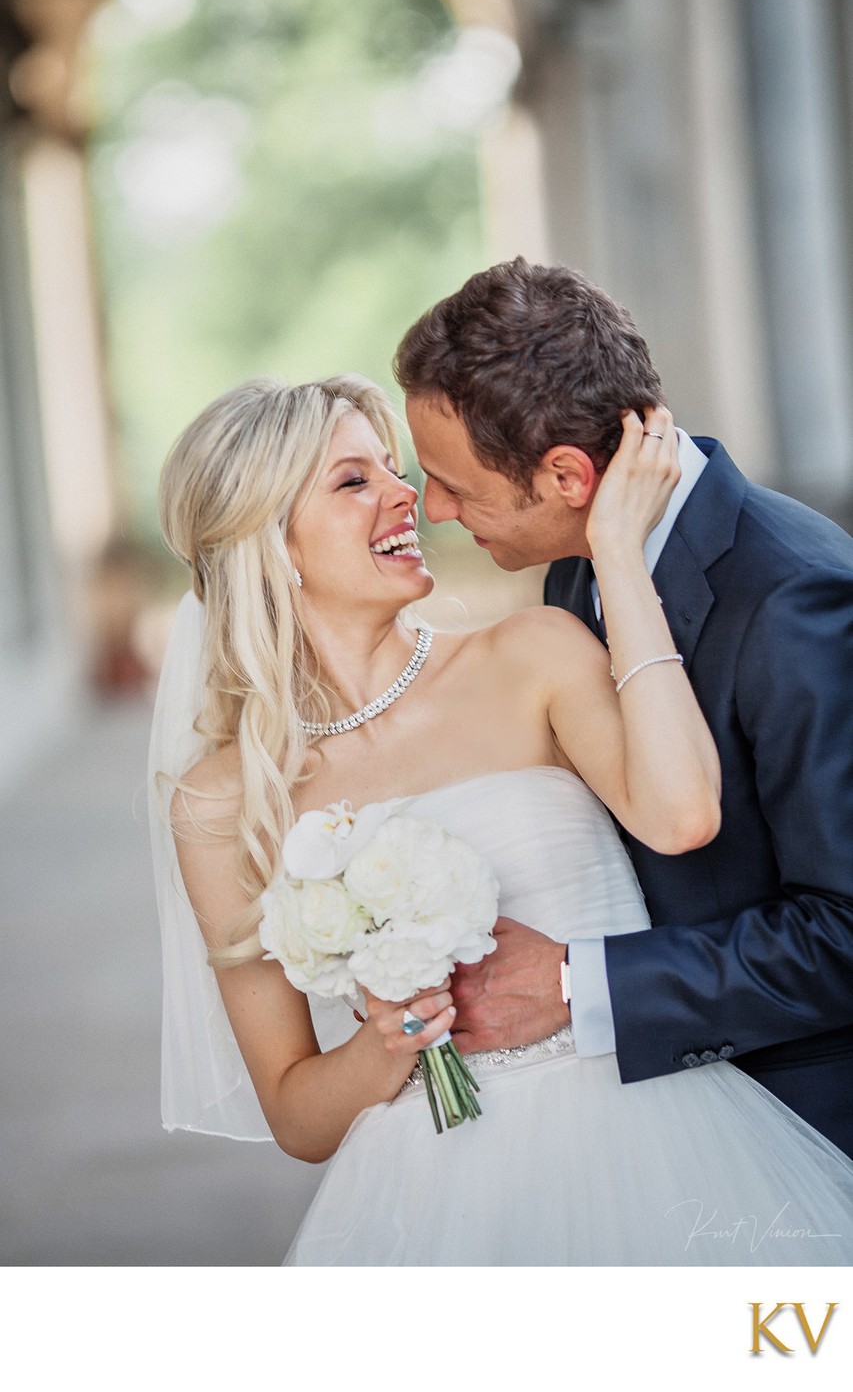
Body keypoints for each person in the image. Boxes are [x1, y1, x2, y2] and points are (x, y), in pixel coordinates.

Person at [150, 371, 853, 1265]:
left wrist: (618, 554)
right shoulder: (221, 803)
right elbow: (297, 1113)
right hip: (429, 1202)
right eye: (353, 480)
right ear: (268, 541)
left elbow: (680, 814)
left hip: (655, 1139)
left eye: (393, 470)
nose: (410, 496)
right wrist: (391, 1036)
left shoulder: (534, 654)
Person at [394, 255, 853, 1160]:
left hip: (797, 1133)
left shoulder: (797, 601)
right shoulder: (576, 560)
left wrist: (577, 982)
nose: (433, 507)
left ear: (567, 476)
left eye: (455, 483)